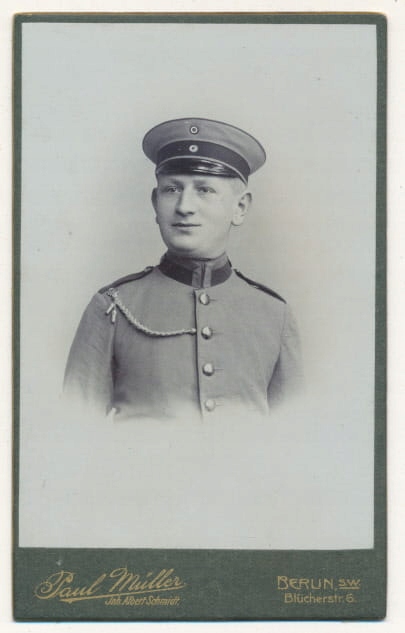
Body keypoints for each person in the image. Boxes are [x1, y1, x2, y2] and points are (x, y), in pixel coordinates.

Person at [64, 117, 302, 420]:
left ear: (240, 208)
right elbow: (73, 431)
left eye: (204, 190)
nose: (185, 206)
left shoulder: (274, 315)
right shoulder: (112, 307)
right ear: (155, 203)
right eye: (172, 189)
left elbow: (295, 437)